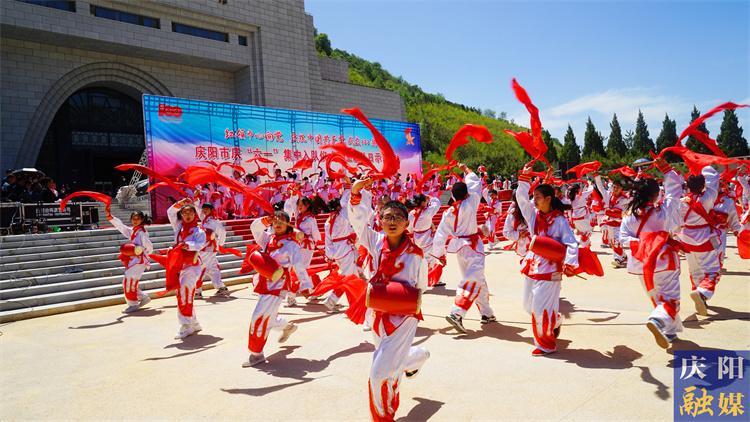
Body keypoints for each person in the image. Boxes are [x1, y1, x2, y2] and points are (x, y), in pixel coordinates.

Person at [348, 177, 429, 422]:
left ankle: (384, 417)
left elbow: (421, 287)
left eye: (397, 217)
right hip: (377, 312)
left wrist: (400, 300)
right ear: (380, 221)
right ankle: (418, 355)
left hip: (403, 317)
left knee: (380, 372)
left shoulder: (416, 255)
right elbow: (357, 221)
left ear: (407, 223)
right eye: (387, 217)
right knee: (391, 360)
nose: (391, 222)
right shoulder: (374, 241)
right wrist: (355, 192)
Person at [515, 165, 579, 356]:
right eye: (534, 197)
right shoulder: (534, 216)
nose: (534, 201)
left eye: (538, 198)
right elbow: (521, 200)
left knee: (539, 309)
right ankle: (555, 320)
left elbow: (571, 242)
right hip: (532, 264)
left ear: (549, 199)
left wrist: (570, 263)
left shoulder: (560, 221)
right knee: (527, 305)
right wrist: (524, 178)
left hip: (550, 270)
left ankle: (546, 344)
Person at [433, 163, 496, 333]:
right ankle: (457, 313)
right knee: (472, 279)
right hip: (473, 247)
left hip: (460, 249)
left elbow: (440, 235)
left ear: (453, 196)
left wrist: (438, 255)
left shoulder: (449, 212)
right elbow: (475, 182)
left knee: (478, 279)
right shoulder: (471, 202)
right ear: (467, 193)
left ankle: (486, 313)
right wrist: (466, 169)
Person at [244, 211, 307, 367]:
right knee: (269, 317)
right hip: (264, 282)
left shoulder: (292, 245)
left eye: (282, 220)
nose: (278, 223)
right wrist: (265, 220)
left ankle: (256, 353)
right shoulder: (268, 239)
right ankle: (288, 327)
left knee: (259, 316)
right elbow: (255, 228)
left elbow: (299, 265)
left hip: (278, 285)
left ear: (288, 224)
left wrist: (305, 284)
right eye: (275, 220)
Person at [678, 165, 721, 316]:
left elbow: (675, 221)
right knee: (712, 271)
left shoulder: (681, 201)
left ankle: (699, 293)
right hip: (703, 238)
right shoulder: (708, 197)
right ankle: (702, 293)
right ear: (703, 185)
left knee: (694, 270)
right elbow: (713, 179)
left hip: (686, 239)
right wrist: (705, 165)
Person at [167, 198, 207, 339]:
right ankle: (194, 323)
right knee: (183, 294)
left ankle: (186, 325)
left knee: (185, 293)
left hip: (192, 266)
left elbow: (201, 244)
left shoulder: (198, 230)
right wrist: (181, 202)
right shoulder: (178, 227)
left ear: (195, 214)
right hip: (179, 266)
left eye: (190, 212)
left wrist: (187, 245)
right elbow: (170, 212)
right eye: (184, 212)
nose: (187, 215)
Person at [107, 210, 153, 313]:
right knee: (129, 281)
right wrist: (111, 218)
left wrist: (141, 251)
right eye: (133, 218)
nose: (135, 220)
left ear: (142, 220)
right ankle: (143, 297)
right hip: (135, 260)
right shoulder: (135, 230)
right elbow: (123, 228)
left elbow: (149, 247)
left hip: (139, 261)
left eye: (138, 218)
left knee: (128, 281)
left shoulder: (141, 232)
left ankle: (133, 304)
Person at [284, 191, 322, 305]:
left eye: (302, 205)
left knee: (300, 269)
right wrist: (294, 192)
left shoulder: (311, 219)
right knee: (300, 270)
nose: (299, 207)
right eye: (298, 205)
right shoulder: (298, 215)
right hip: (297, 245)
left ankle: (292, 296)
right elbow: (292, 203)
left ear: (308, 205)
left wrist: (320, 246)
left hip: (307, 246)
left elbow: (315, 233)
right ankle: (313, 291)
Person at [408, 193, 444, 286]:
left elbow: (409, 228)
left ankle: (417, 280)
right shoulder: (428, 211)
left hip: (416, 237)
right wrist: (431, 197)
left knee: (418, 259)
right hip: (427, 237)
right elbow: (437, 203)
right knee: (431, 258)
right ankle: (433, 279)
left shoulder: (412, 213)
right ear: (423, 202)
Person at [196, 203, 230, 298]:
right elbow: (198, 211)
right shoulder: (204, 219)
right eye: (203, 209)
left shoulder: (214, 221)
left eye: (207, 209)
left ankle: (197, 290)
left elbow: (223, 232)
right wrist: (196, 201)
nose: (204, 210)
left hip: (208, 248)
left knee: (200, 267)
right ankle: (221, 287)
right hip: (205, 248)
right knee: (213, 268)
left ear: (211, 210)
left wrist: (219, 243)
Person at [595, 175, 629, 268]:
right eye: (614, 186)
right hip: (609, 222)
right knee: (613, 243)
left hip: (620, 223)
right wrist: (597, 177)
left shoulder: (625, 198)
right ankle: (623, 256)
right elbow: (600, 187)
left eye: (618, 187)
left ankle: (619, 260)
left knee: (617, 242)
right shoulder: (607, 195)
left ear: (621, 188)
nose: (615, 189)